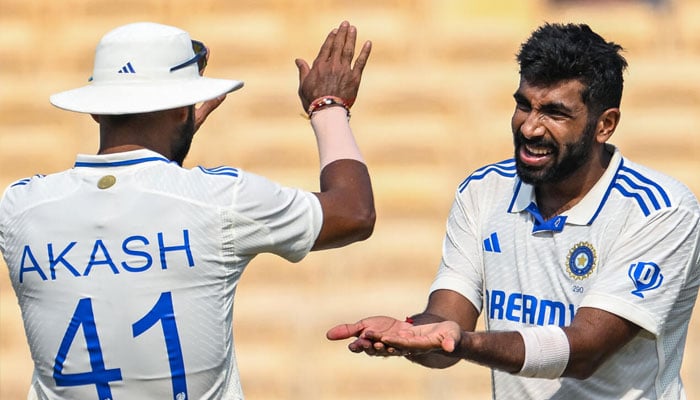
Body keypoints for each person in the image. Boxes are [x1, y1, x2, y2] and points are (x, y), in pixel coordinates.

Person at [0, 20, 374, 400]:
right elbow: (353, 210)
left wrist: (167, 145)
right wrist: (328, 106)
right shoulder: (220, 198)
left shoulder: (19, 206)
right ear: (183, 110)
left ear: (96, 110)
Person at [327, 22, 700, 399]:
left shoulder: (662, 211)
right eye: (524, 105)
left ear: (605, 125)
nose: (531, 128)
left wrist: (465, 342)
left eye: (555, 112)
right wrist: (414, 336)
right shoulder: (484, 191)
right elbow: (447, 325)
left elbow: (587, 350)